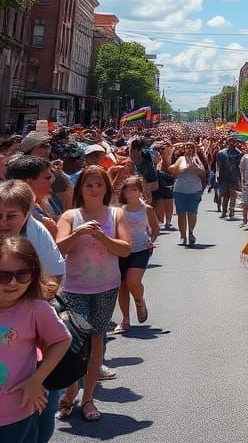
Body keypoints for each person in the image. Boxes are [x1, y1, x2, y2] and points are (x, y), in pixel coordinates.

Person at [55, 167, 132, 422]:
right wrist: (80, 232)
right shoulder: (70, 215)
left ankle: (88, 398)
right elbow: (60, 249)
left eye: (99, 184)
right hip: (74, 288)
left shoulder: (116, 214)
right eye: (89, 185)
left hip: (106, 287)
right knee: (72, 343)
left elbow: (125, 249)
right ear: (81, 189)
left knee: (97, 338)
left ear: (106, 188)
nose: (94, 189)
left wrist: (102, 237)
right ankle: (70, 390)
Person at [0, 236, 72, 443]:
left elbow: (61, 340)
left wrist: (37, 379)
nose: (13, 282)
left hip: (16, 412)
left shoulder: (35, 309)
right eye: (4, 276)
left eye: (22, 274)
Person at [114, 175, 159, 333]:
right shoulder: (120, 210)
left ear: (140, 192)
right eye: (127, 190)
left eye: (134, 190)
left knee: (132, 281)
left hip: (141, 248)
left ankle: (139, 301)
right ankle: (125, 319)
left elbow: (155, 229)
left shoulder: (147, 209)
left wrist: (151, 240)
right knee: (122, 285)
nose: (130, 193)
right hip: (122, 249)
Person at [6, 155, 60, 238]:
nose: (52, 181)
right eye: (47, 178)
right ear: (28, 182)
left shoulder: (45, 201)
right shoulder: (13, 212)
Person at [171, 142, 207, 247]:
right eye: (187, 147)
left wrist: (194, 168)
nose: (189, 149)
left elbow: (203, 172)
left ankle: (191, 233)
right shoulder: (180, 159)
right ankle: (183, 236)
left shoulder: (197, 159)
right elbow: (173, 173)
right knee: (181, 214)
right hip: (180, 189)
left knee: (192, 212)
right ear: (184, 149)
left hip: (195, 190)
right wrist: (180, 170)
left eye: (191, 147)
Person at [216, 137, 243, 220]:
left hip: (234, 177)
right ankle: (224, 212)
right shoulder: (221, 153)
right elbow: (218, 165)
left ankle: (231, 212)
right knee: (225, 195)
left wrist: (241, 178)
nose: (232, 143)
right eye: (230, 142)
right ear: (227, 143)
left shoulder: (239, 153)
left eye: (233, 142)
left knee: (233, 195)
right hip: (224, 177)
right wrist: (217, 175)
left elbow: (241, 166)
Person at [152, 142, 176, 230]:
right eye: (161, 148)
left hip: (167, 178)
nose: (163, 149)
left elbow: (170, 167)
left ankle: (168, 221)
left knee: (168, 199)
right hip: (157, 177)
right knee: (159, 200)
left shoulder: (172, 156)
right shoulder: (155, 155)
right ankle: (158, 220)